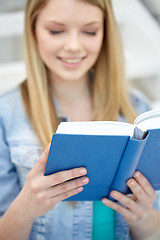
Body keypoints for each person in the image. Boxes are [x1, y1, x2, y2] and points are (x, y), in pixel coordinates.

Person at [0, 0, 160, 239]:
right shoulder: (6, 116)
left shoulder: (137, 111)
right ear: (33, 30)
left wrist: (143, 216)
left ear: (105, 33)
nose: (73, 46)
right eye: (56, 31)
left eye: (90, 31)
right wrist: (25, 208)